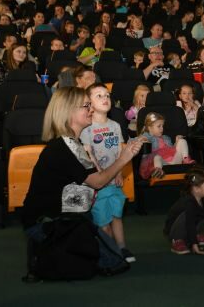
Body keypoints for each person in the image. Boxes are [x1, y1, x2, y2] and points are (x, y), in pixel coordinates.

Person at [21, 87, 142, 275]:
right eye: (86, 106)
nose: (91, 110)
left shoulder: (72, 144)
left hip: (65, 218)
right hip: (46, 224)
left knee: (113, 260)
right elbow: (98, 182)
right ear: (68, 111)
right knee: (112, 262)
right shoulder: (64, 147)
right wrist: (124, 158)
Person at [80, 84, 135, 263]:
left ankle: (122, 248)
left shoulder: (115, 126)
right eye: (99, 96)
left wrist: (118, 172)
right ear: (89, 103)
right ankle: (109, 251)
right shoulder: (86, 128)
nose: (105, 99)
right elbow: (90, 156)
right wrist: (103, 175)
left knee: (116, 216)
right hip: (99, 183)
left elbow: (120, 153)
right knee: (103, 222)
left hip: (114, 180)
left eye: (107, 95)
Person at [164, 168, 204, 255]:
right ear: (196, 189)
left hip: (190, 227)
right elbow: (189, 223)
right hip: (174, 231)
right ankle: (178, 241)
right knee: (186, 215)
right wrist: (194, 245)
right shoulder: (188, 202)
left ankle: (193, 236)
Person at [137, 112, 195, 180]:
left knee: (182, 141)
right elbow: (140, 140)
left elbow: (172, 150)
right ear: (149, 128)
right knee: (157, 157)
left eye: (162, 126)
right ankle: (158, 171)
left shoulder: (166, 138)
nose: (162, 128)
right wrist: (141, 140)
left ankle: (186, 160)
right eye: (159, 126)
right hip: (162, 164)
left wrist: (176, 142)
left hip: (174, 161)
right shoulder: (148, 137)